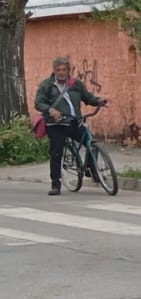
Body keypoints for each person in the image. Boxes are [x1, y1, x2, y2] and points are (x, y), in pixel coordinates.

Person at [33, 56, 107, 195]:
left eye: (64, 70)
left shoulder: (76, 84)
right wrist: (51, 110)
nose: (61, 72)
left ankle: (92, 169)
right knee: (56, 153)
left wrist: (99, 101)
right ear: (54, 70)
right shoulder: (46, 85)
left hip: (74, 122)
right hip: (56, 124)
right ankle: (56, 184)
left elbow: (88, 98)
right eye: (58, 70)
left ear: (68, 70)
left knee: (92, 143)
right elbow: (39, 103)